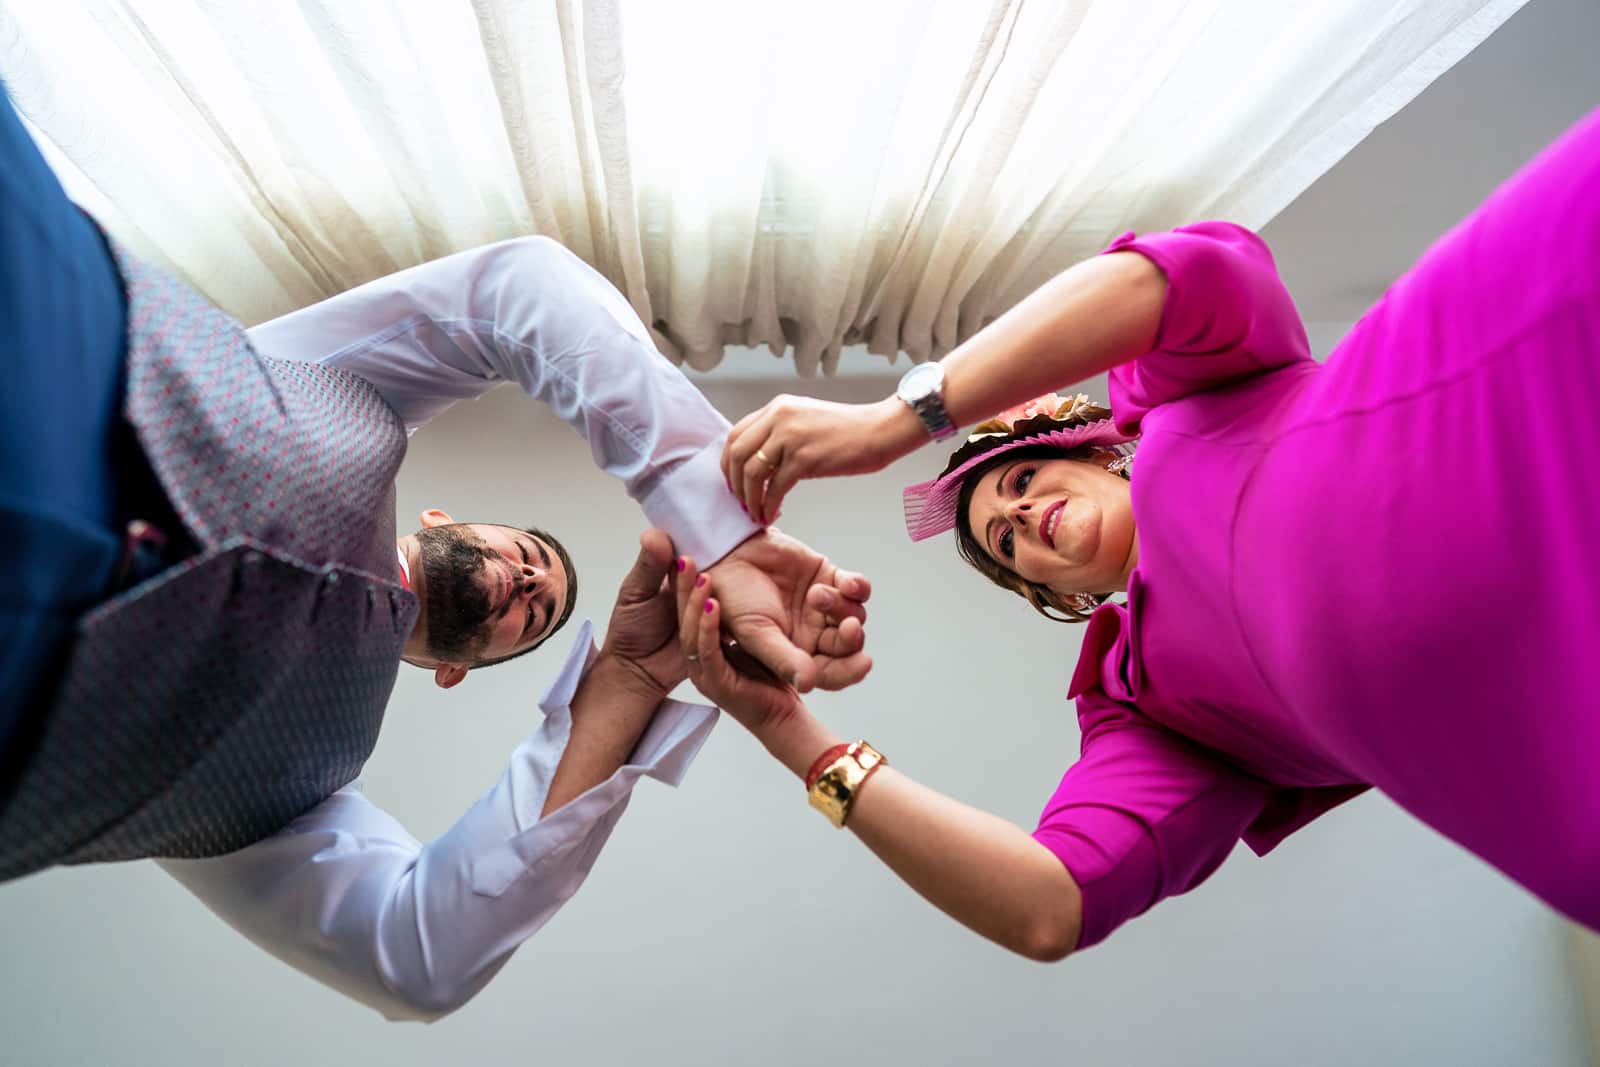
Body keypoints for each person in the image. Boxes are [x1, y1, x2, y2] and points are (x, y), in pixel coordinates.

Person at [0, 81, 868, 1019]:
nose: (531, 581)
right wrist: (717, 524)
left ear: (458, 669)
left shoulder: (297, 801)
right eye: (530, 553)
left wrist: (623, 682)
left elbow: (418, 962)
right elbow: (515, 292)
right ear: (444, 517)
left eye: (533, 616)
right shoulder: (342, 395)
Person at [687, 104, 1600, 959]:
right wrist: (789, 732)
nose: (1014, 516)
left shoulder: (1188, 398)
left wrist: (896, 421)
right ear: (1065, 596)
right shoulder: (1148, 707)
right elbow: (1047, 905)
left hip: (1550, 359)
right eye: (1008, 546)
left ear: (1098, 455)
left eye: (1020, 481)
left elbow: (1173, 279)